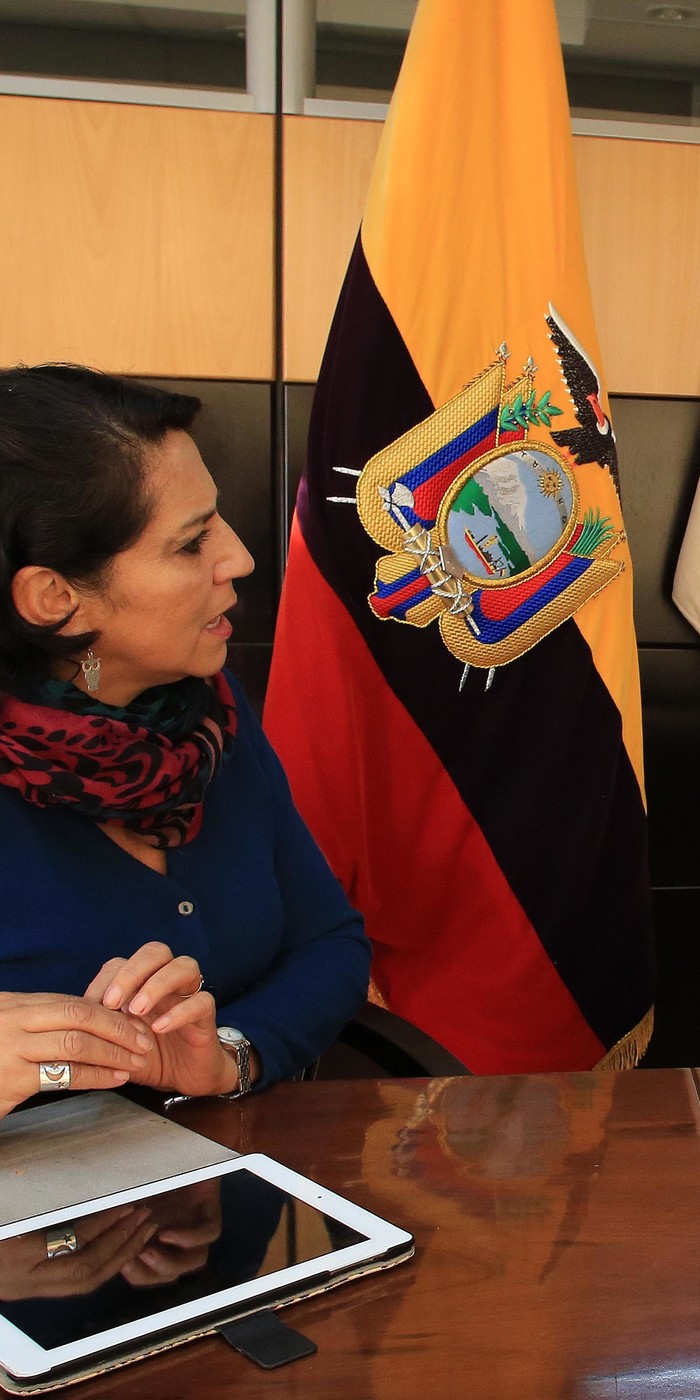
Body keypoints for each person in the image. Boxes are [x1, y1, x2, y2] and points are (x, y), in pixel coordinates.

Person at [0, 365, 370, 1118]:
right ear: (56, 599)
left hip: (237, 1175)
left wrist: (229, 1055)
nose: (239, 559)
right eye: (192, 542)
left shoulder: (206, 715)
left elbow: (329, 943)